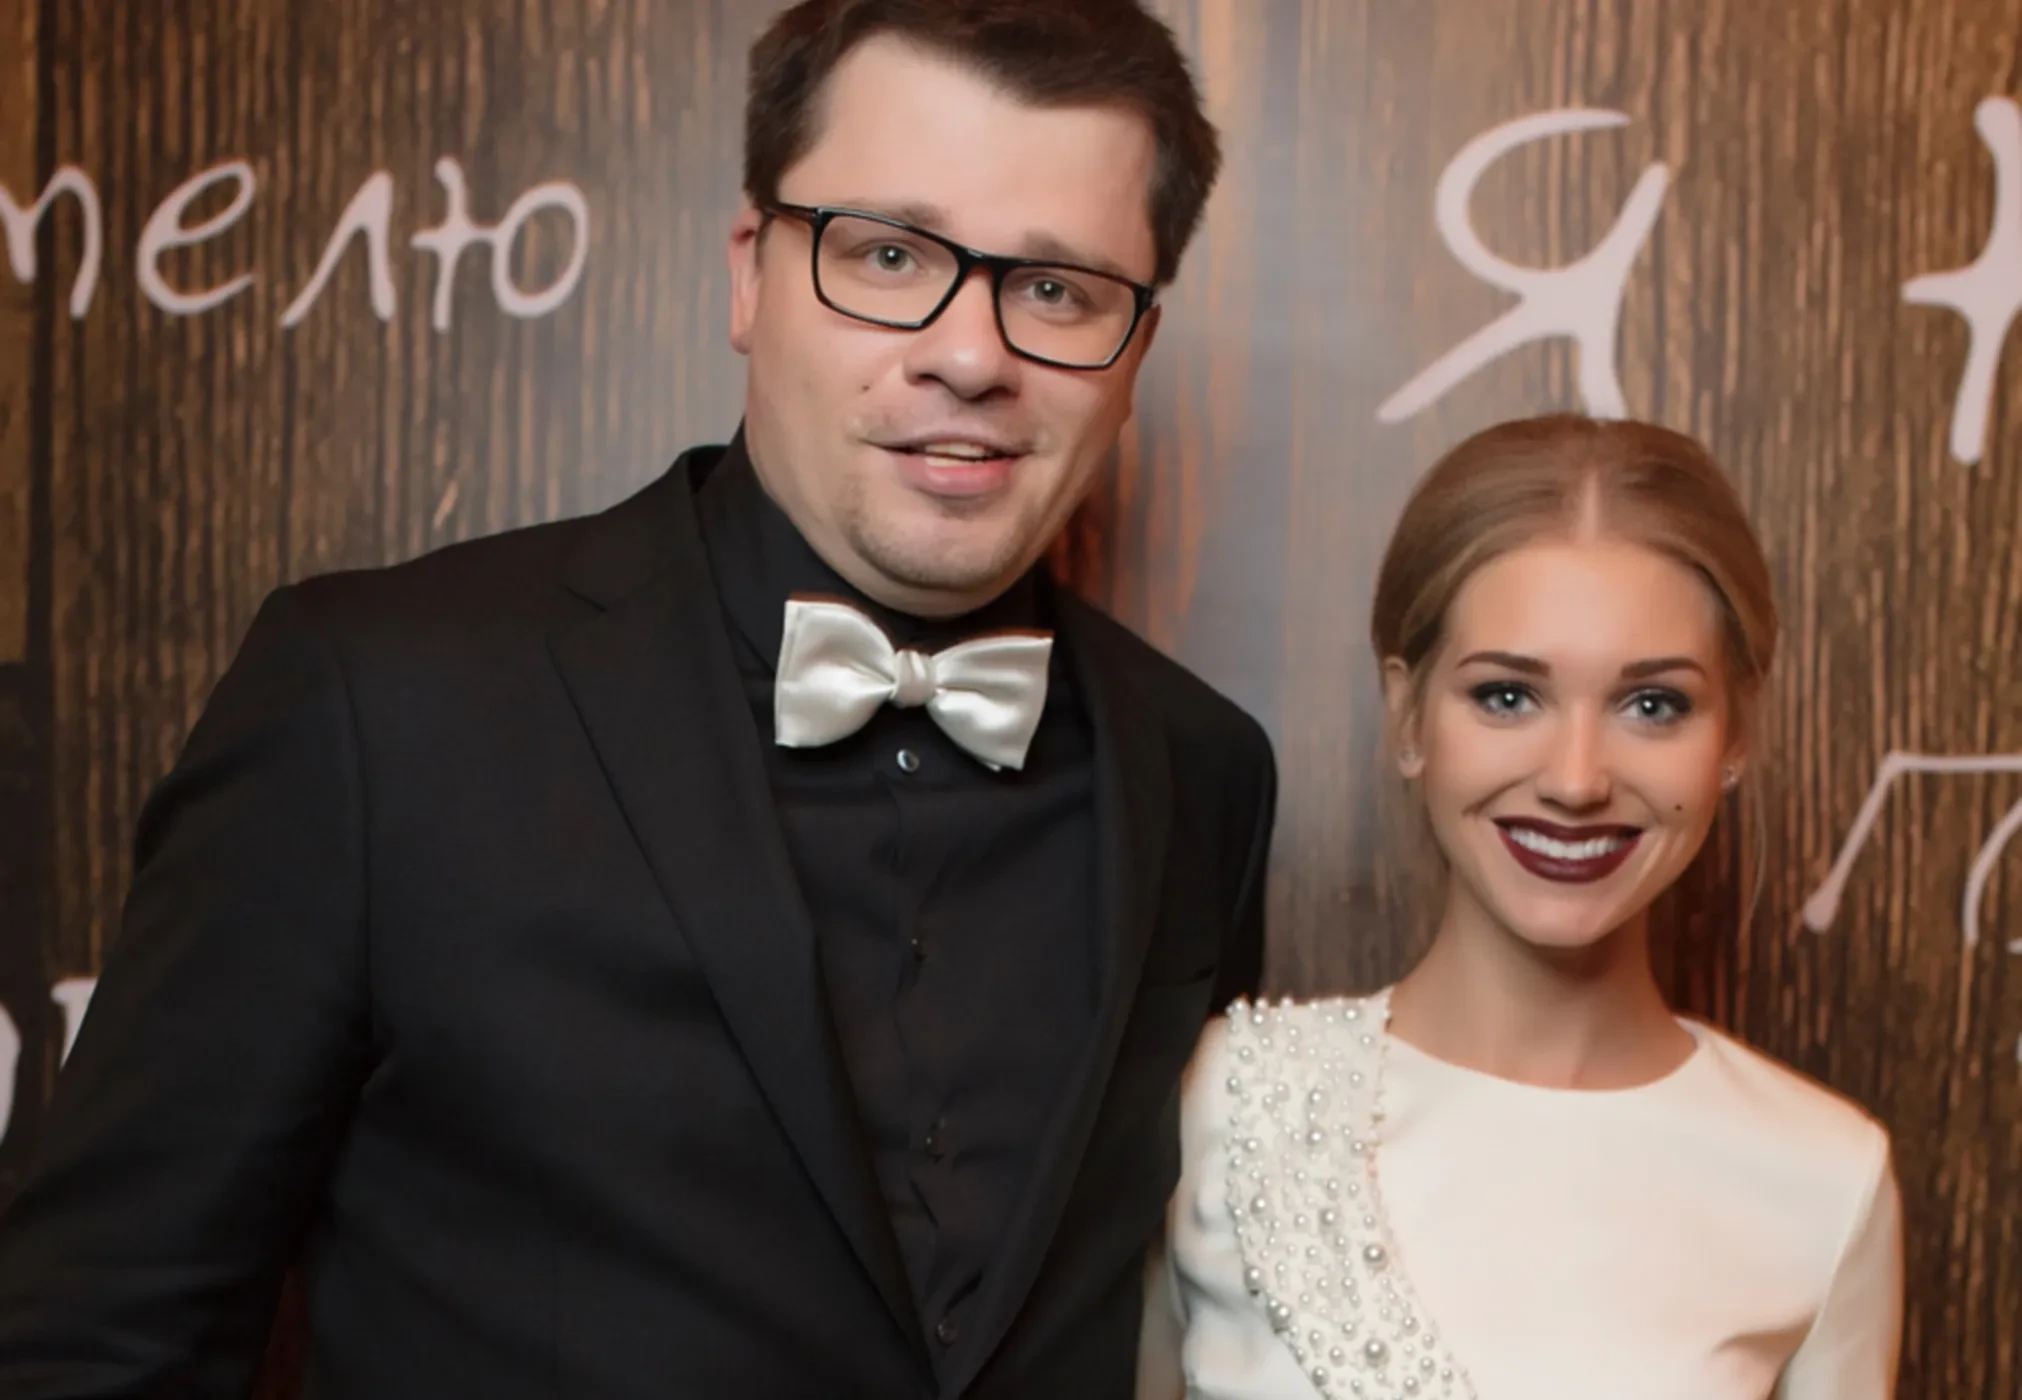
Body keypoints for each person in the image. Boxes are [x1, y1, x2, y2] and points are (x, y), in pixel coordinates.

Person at [0, 3, 1277, 1397]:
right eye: (888, 254)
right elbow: (96, 1344)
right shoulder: (380, 703)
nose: (969, 354)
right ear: (749, 277)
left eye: (1057, 289)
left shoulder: (1200, 773)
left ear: (1136, 349)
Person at [1141, 415, 1902, 1400]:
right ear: (1409, 714)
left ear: (1735, 736)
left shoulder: (1823, 1178)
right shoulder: (1215, 1098)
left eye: (1652, 705)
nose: (1577, 779)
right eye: (1507, 696)